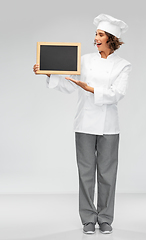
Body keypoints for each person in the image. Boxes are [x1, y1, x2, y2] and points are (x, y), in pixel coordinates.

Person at [33, 13, 132, 234]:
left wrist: (91, 89)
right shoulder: (85, 59)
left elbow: (117, 94)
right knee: (85, 173)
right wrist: (48, 73)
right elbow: (69, 85)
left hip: (109, 127)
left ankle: (105, 218)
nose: (95, 38)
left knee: (107, 174)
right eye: (95, 34)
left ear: (111, 38)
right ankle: (88, 218)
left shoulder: (123, 65)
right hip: (84, 122)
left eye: (100, 35)